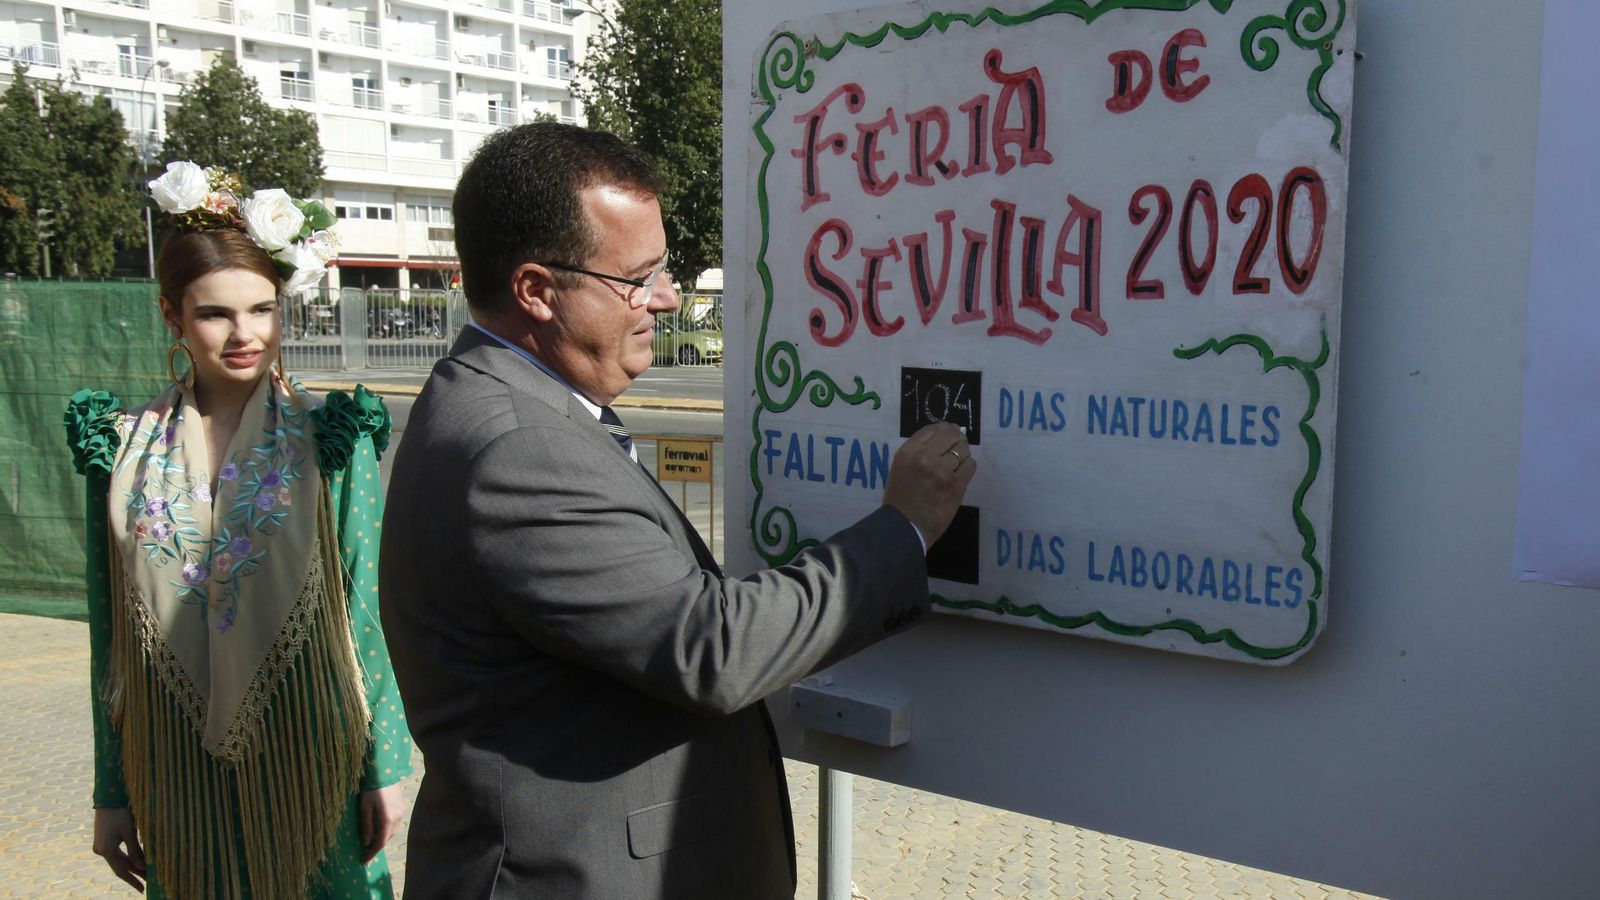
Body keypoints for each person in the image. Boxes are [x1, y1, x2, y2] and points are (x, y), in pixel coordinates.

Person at [379, 122, 975, 899]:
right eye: (638, 276)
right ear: (535, 290)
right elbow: (711, 648)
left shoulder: (509, 403)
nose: (665, 297)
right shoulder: (518, 446)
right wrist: (904, 527)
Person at [64, 162, 412, 899]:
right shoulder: (120, 452)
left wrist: (385, 769)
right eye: (216, 314)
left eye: (262, 309)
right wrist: (110, 791)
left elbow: (364, 608)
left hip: (313, 759)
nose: (246, 333)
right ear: (171, 316)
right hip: (175, 766)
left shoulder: (331, 438)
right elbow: (110, 635)